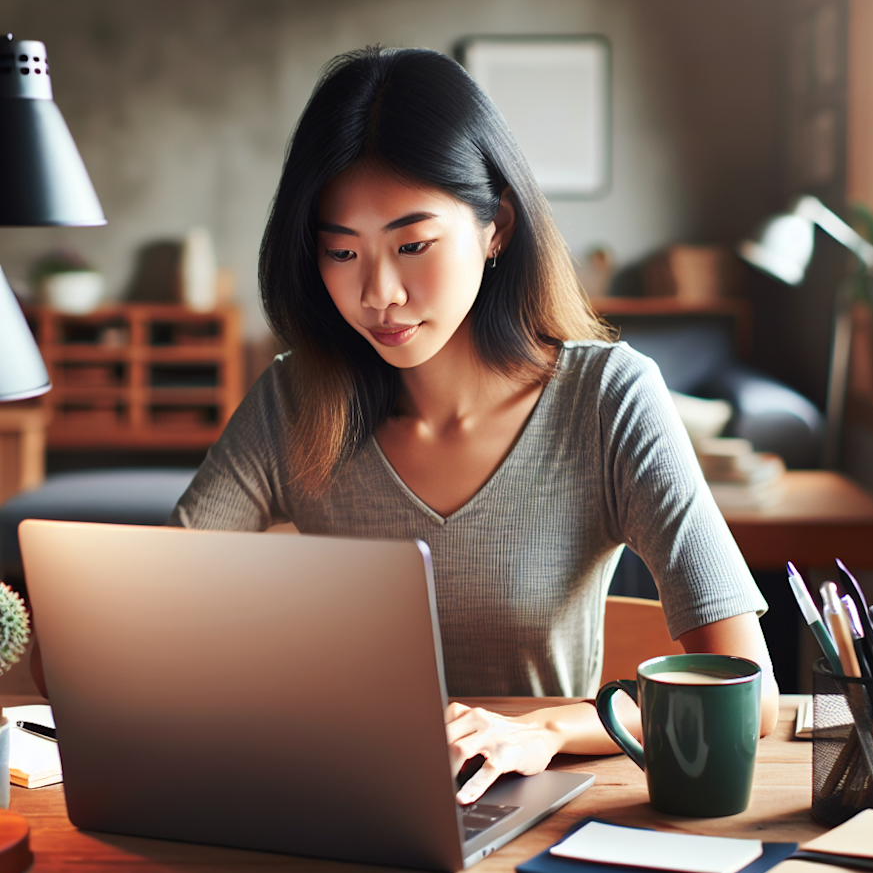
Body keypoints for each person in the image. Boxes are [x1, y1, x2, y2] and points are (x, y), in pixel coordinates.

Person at [168, 46, 779, 804]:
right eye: (341, 251)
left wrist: (550, 730)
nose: (378, 292)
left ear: (497, 228)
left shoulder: (607, 400)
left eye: (413, 245)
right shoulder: (294, 400)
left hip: (528, 817)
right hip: (334, 805)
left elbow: (751, 699)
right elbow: (150, 616)